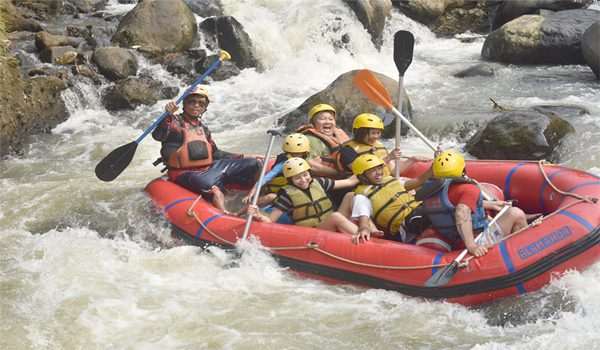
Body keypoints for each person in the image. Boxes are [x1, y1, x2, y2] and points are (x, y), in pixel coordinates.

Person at [151, 85, 260, 214]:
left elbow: (216, 153)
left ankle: (251, 195)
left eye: (201, 103)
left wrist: (244, 156)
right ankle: (225, 209)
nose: (196, 105)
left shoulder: (203, 129)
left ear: (205, 108)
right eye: (192, 102)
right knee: (208, 182)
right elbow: (158, 135)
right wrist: (167, 115)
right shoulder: (174, 123)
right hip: (184, 173)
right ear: (184, 104)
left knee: (252, 164)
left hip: (209, 168)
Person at [415, 150, 528, 257]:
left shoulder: (432, 190)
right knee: (516, 214)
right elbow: (461, 212)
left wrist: (491, 204)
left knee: (501, 212)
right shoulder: (468, 189)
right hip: (474, 240)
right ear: (462, 169)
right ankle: (523, 255)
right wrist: (472, 246)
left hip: (450, 237)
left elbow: (451, 205)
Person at [248, 157, 359, 235]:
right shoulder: (287, 195)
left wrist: (365, 170)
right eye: (297, 178)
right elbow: (271, 221)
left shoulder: (320, 182)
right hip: (312, 231)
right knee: (336, 217)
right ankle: (365, 239)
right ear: (290, 180)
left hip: (327, 221)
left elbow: (349, 182)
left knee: (350, 195)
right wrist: (258, 215)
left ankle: (368, 229)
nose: (303, 180)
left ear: (309, 173)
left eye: (305, 175)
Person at [350, 154, 433, 244]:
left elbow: (418, 181)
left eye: (379, 168)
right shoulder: (361, 196)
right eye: (372, 171)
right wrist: (364, 229)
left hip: (419, 210)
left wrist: (432, 168)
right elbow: (364, 218)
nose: (378, 172)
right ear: (362, 176)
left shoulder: (389, 180)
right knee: (422, 218)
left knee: (436, 210)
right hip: (404, 225)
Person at [337, 113, 418, 177]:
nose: (376, 137)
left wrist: (412, 160)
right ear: (359, 133)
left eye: (378, 133)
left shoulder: (379, 145)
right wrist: (388, 158)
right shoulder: (348, 150)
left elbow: (393, 171)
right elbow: (363, 172)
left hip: (387, 181)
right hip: (367, 187)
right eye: (372, 133)